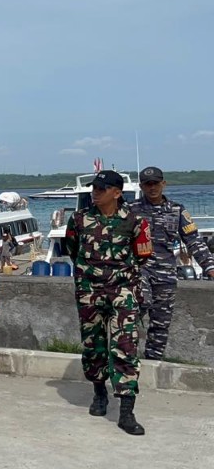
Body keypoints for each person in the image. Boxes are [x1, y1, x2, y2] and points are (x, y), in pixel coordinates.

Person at [63, 170, 150, 436]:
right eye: (94, 188)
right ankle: (99, 393)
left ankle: (126, 411)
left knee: (126, 347)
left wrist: (118, 277)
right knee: (94, 345)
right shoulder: (79, 219)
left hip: (123, 292)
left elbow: (142, 255)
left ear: (117, 192)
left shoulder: (134, 221)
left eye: (102, 189)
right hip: (90, 292)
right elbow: (72, 249)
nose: (95, 192)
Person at [130, 166, 214, 360]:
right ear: (141, 186)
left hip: (166, 273)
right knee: (140, 304)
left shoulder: (177, 210)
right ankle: (126, 358)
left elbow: (193, 240)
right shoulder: (131, 210)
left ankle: (153, 362)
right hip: (140, 269)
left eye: (156, 183)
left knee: (161, 323)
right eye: (148, 184)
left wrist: (209, 266)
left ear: (164, 184)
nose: (152, 187)